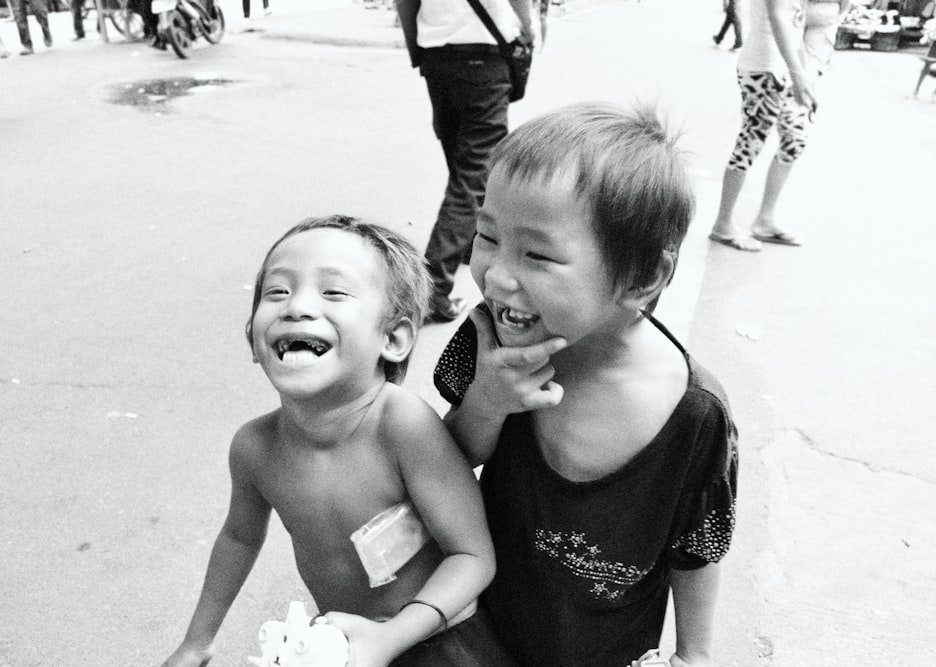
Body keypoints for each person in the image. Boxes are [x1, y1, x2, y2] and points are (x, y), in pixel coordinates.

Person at [432, 102, 739, 667]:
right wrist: (487, 403)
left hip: (606, 651)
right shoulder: (492, 342)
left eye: (538, 255)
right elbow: (440, 467)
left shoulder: (692, 414)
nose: (497, 276)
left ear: (643, 276)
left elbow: (695, 547)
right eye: (487, 236)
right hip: (479, 634)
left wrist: (695, 655)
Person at [161, 215, 510, 667]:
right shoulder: (255, 447)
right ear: (253, 338)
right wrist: (196, 642)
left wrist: (391, 638)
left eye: (334, 292)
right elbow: (239, 538)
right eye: (277, 292)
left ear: (394, 337)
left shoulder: (401, 425)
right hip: (340, 646)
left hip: (441, 638)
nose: (297, 307)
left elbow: (473, 556)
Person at [396, 0, 533, 324]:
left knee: (462, 158)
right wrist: (527, 32)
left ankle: (465, 242)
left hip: (436, 55)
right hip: (484, 52)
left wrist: (419, 48)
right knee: (474, 174)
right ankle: (432, 288)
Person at [708, 0, 816, 251]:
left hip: (786, 70)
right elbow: (777, 16)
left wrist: (804, 73)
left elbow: (795, 25)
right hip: (763, 68)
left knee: (794, 140)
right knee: (751, 142)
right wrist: (798, 73)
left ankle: (765, 220)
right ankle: (722, 224)